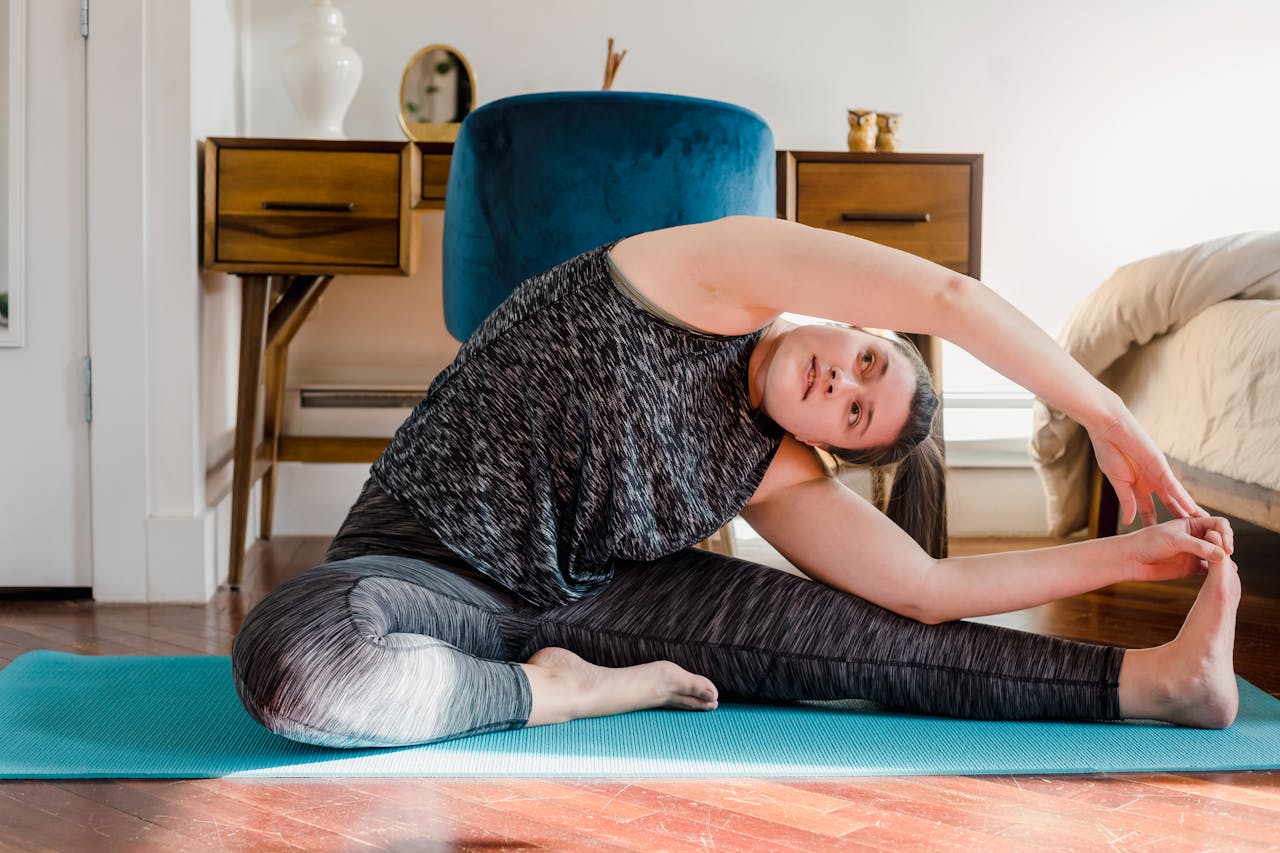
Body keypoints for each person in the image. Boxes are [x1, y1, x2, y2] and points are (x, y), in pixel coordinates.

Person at [231, 215, 1241, 749]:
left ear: (828, 447)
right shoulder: (708, 277)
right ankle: (556, 697)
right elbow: (949, 293)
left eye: (853, 415)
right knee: (301, 663)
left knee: (877, 648)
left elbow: (925, 592)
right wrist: (1107, 417)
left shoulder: (777, 469)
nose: (841, 382)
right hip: (423, 565)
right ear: (856, 323)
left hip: (594, 604)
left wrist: (1135, 551)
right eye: (867, 363)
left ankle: (1159, 683)